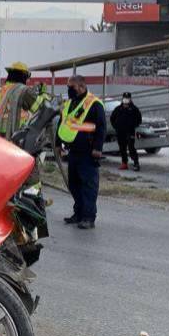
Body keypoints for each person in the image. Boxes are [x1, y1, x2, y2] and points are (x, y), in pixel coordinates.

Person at [58, 75, 105, 230]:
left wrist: (98, 148)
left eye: (71, 87)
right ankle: (78, 213)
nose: (69, 90)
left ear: (81, 87)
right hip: (73, 151)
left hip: (88, 151)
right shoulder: (69, 103)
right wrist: (58, 144)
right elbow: (62, 123)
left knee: (88, 186)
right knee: (74, 184)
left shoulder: (94, 104)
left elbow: (101, 127)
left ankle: (88, 217)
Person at [0, 61, 46, 138]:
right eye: (27, 77)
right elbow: (39, 106)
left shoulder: (2, 90)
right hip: (18, 131)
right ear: (23, 76)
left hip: (3, 131)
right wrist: (43, 94)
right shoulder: (23, 90)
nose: (28, 80)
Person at [109, 92, 143, 172]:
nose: (126, 99)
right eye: (125, 98)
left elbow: (139, 119)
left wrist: (133, 125)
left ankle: (136, 163)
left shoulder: (134, 109)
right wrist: (116, 126)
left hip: (130, 131)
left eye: (127, 98)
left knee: (131, 148)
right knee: (122, 148)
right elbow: (112, 118)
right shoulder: (118, 109)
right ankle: (124, 163)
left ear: (130, 99)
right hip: (120, 132)